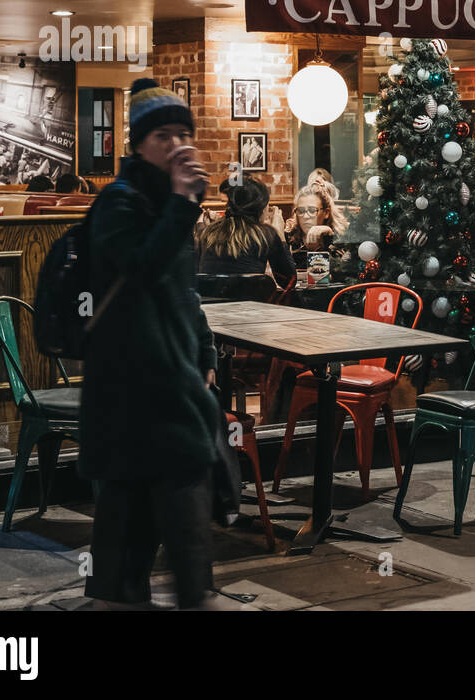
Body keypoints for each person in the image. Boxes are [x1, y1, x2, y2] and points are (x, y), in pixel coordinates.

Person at [80, 78, 224, 611]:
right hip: (128, 394)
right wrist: (184, 204)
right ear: (139, 145)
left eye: (183, 134)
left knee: (179, 526)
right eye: (163, 136)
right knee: (131, 532)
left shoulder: (171, 206)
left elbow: (183, 296)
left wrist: (204, 355)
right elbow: (140, 270)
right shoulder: (118, 204)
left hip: (171, 390)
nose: (177, 145)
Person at [196, 177, 295, 290]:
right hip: (251, 306)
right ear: (262, 208)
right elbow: (288, 282)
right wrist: (280, 234)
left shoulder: (209, 232)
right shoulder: (266, 235)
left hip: (211, 305)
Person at [285, 185, 336, 266]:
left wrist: (326, 240)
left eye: (312, 210)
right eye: (301, 211)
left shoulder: (337, 237)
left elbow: (341, 270)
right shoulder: (288, 236)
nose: (305, 216)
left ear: (326, 213)